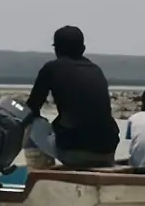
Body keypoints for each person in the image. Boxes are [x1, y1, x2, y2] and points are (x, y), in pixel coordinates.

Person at [23, 25, 119, 169]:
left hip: (74, 152)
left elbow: (32, 107)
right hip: (108, 151)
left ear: (57, 49)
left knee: (29, 124)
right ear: (83, 48)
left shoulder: (52, 68)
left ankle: (39, 180)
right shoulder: (95, 69)